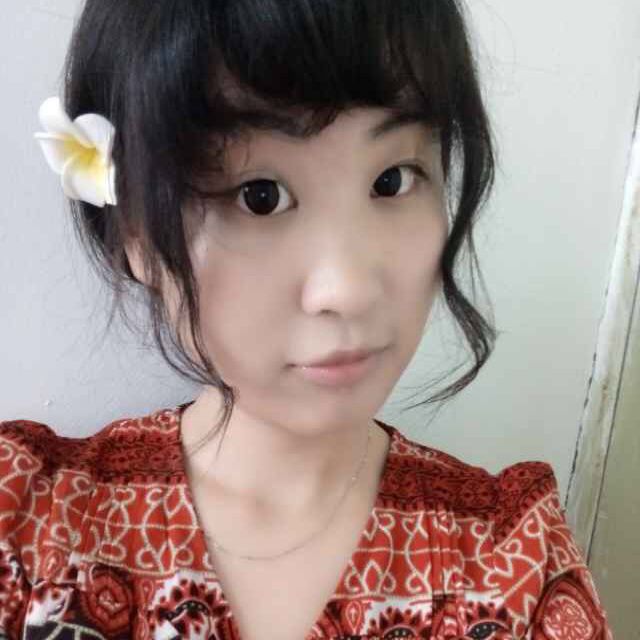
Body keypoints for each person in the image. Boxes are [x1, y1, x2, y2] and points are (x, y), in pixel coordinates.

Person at [0, 1, 612, 638]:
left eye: (393, 180)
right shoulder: (23, 529)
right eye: (259, 196)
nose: (346, 290)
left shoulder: (516, 570)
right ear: (136, 233)